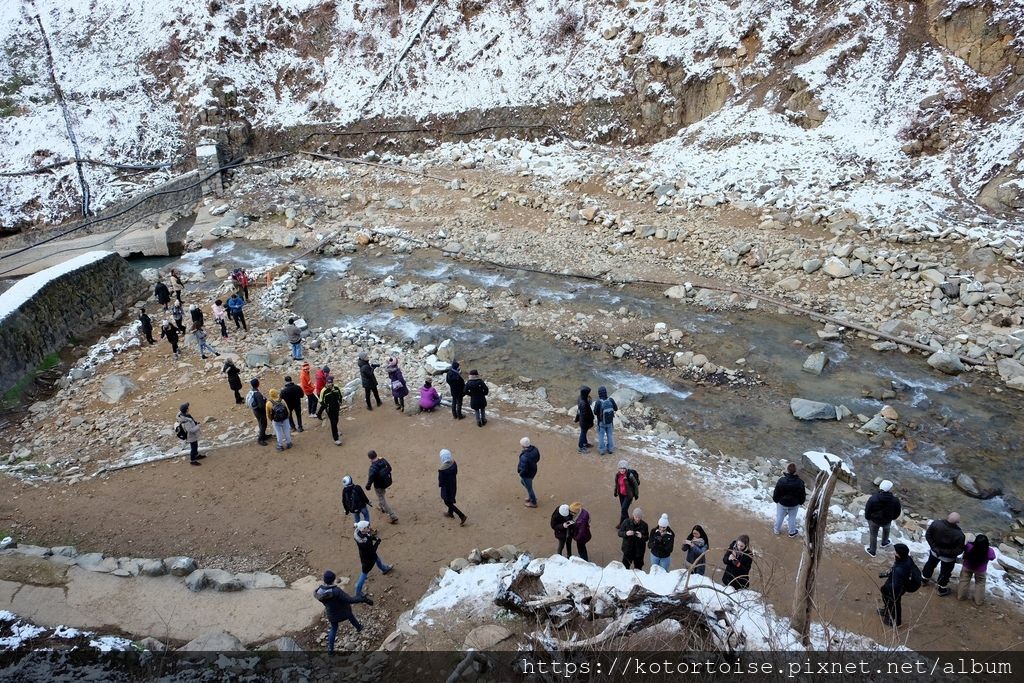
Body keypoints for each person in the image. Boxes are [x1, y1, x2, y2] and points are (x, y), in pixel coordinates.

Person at [314, 570, 372, 654]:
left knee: (334, 628)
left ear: (324, 580)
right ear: (333, 580)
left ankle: (330, 650)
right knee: (350, 616)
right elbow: (349, 600)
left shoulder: (318, 591)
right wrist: (362, 599)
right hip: (343, 611)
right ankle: (359, 627)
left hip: (331, 614)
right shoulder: (336, 591)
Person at [921, 512, 966, 596]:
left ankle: (924, 580)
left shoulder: (936, 524)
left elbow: (928, 535)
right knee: (945, 573)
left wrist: (934, 548)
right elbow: (959, 550)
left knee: (930, 565)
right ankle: (941, 589)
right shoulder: (960, 535)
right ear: (957, 522)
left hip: (935, 552)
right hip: (948, 558)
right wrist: (946, 553)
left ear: (947, 517)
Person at [879, 543, 921, 627]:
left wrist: (886, 589)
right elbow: (896, 568)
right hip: (899, 582)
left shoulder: (900, 569)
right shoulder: (906, 559)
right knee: (887, 598)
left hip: (897, 588)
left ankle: (895, 621)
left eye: (896, 552)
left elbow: (896, 586)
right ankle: (887, 611)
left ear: (900, 554)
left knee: (894, 603)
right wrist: (887, 574)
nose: (894, 553)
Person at [353, 521, 393, 597]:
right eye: (367, 527)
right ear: (363, 529)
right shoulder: (365, 541)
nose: (369, 528)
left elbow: (368, 536)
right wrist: (377, 542)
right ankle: (358, 592)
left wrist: (372, 537)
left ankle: (384, 569)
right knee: (364, 574)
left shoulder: (357, 532)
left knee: (377, 559)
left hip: (365, 555)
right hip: (368, 558)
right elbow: (372, 550)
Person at [864, 479, 902, 557]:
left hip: (874, 520)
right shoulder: (895, 500)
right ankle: (884, 542)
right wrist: (892, 518)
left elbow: (868, 509)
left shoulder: (873, 498)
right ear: (889, 489)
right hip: (887, 520)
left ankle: (872, 551)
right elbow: (898, 511)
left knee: (873, 535)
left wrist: (868, 518)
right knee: (886, 530)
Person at [957, 534, 996, 606]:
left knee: (964, 580)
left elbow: (964, 547)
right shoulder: (989, 551)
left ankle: (961, 596)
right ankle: (978, 601)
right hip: (980, 570)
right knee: (980, 584)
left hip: (967, 567)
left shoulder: (969, 546)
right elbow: (992, 557)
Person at [772, 463, 806, 537]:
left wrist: (776, 500)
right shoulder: (800, 482)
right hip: (794, 504)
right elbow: (802, 494)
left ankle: (776, 530)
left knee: (780, 516)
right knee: (792, 518)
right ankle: (792, 532)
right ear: (795, 471)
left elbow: (776, 492)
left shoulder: (781, 480)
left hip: (782, 503)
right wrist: (801, 502)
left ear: (787, 470)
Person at [365, 450, 398, 524]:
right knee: (381, 494)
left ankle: (392, 515)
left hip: (379, 485)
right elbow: (390, 468)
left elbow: (371, 478)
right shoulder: (383, 460)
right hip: (386, 482)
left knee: (382, 498)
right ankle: (381, 507)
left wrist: (368, 485)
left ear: (370, 458)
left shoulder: (373, 467)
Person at [438, 449, 467, 525]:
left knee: (447, 502)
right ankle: (450, 513)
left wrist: (440, 485)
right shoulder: (454, 463)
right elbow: (456, 472)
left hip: (446, 488)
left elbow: (441, 481)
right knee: (450, 499)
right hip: (453, 484)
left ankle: (462, 515)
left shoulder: (442, 470)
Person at [317, 376, 344, 446]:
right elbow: (321, 401)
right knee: (333, 422)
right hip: (329, 409)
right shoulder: (324, 391)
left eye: (331, 383)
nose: (329, 384)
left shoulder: (336, 388)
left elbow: (340, 395)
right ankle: (336, 439)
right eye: (328, 383)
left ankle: (336, 430)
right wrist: (326, 406)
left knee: (336, 419)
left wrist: (340, 401)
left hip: (336, 407)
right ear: (326, 382)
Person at [613, 460, 640, 528]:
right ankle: (622, 523)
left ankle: (629, 523)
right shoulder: (618, 475)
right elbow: (617, 484)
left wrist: (636, 495)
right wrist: (615, 491)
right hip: (621, 494)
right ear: (618, 468)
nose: (622, 470)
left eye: (624, 468)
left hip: (628, 495)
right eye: (620, 468)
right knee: (623, 509)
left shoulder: (629, 475)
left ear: (626, 468)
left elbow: (635, 485)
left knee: (624, 509)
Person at [593, 386, 617, 455]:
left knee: (601, 436)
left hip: (601, 422)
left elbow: (595, 412)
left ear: (599, 393)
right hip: (610, 422)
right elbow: (616, 408)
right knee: (610, 435)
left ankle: (602, 450)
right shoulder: (611, 400)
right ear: (606, 392)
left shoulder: (598, 402)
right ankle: (610, 449)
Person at [517, 437, 540, 508]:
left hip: (527, 474)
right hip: (533, 470)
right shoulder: (535, 450)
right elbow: (538, 458)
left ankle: (533, 502)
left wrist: (521, 473)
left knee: (529, 488)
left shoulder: (524, 456)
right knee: (524, 483)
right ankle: (531, 497)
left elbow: (523, 468)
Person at [245, 378, 269, 446]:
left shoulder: (252, 391)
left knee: (260, 423)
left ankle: (263, 435)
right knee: (263, 424)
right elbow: (261, 406)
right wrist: (264, 401)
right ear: (258, 384)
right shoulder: (258, 394)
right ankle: (260, 439)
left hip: (255, 410)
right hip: (260, 412)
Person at [574, 385, 595, 454]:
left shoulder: (581, 399)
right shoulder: (583, 403)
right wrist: (591, 418)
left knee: (584, 433)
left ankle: (585, 443)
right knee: (583, 433)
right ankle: (581, 447)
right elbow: (585, 415)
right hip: (584, 421)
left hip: (582, 420)